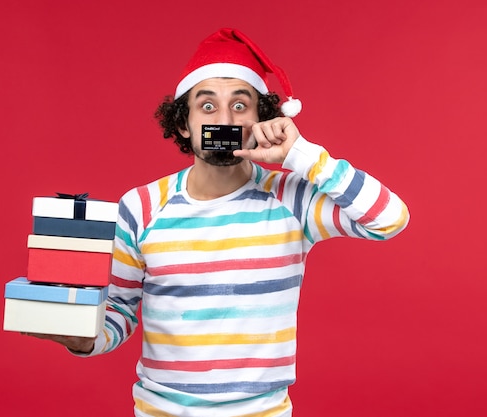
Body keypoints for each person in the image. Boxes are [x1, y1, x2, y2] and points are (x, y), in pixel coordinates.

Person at [27, 28, 410, 416]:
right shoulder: (140, 206)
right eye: (207, 107)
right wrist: (79, 337)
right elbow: (120, 313)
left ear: (263, 118)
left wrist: (300, 154)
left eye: (240, 106)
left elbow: (389, 218)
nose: (225, 120)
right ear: (183, 124)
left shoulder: (292, 197)